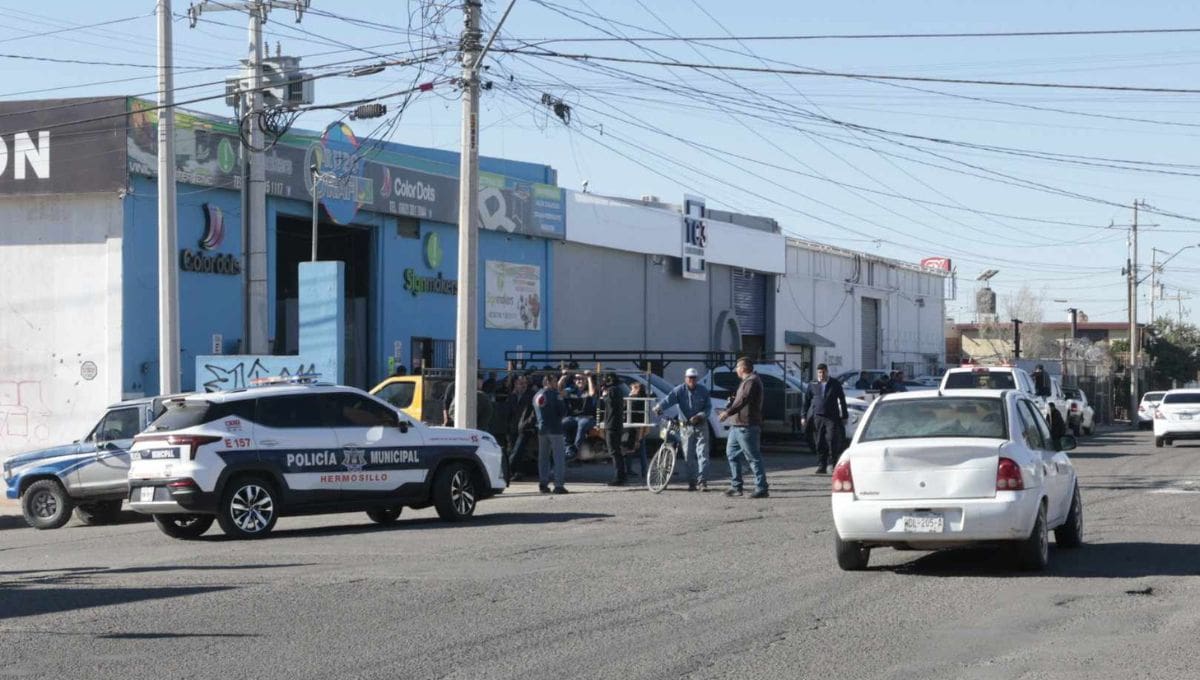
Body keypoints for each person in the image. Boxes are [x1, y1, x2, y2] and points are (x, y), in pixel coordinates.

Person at [654, 367, 713, 492]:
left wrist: (700, 416)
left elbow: (708, 408)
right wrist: (658, 407)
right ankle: (692, 482)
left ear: (696, 379)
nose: (692, 380)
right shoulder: (679, 390)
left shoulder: (703, 390)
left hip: (701, 425)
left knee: (703, 454)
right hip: (685, 426)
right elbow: (668, 400)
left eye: (694, 378)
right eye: (689, 377)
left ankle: (702, 482)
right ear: (685, 378)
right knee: (688, 455)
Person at [718, 358, 769, 498]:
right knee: (731, 454)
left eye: (737, 367)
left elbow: (743, 400)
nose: (735, 370)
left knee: (753, 457)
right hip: (737, 425)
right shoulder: (746, 382)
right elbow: (738, 400)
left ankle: (762, 487)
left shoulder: (752, 381)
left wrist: (727, 413)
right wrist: (731, 403)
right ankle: (736, 486)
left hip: (747, 426)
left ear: (743, 368)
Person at [803, 363, 849, 474]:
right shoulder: (813, 384)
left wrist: (845, 415)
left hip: (832, 417)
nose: (821, 374)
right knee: (819, 442)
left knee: (832, 440)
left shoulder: (834, 384)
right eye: (819, 372)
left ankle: (833, 464)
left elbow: (842, 400)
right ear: (817, 373)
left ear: (827, 372)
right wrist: (803, 416)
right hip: (818, 417)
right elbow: (807, 401)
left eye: (823, 372)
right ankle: (821, 465)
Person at [533, 374, 569, 494]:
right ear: (548, 382)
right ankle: (558, 485)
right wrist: (562, 398)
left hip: (542, 429)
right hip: (555, 429)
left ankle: (543, 483)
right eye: (554, 381)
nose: (556, 384)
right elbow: (563, 411)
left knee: (543, 458)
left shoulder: (536, 395)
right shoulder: (555, 395)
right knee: (558, 458)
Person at [505, 374, 536, 482]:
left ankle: (505, 471)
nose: (523, 386)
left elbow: (533, 413)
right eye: (520, 383)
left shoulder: (532, 395)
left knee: (517, 451)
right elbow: (508, 412)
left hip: (525, 428)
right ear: (515, 384)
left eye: (525, 383)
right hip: (513, 427)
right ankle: (517, 472)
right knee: (513, 450)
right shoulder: (512, 396)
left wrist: (527, 424)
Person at [561, 371, 597, 459]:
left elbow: (592, 393)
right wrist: (563, 377)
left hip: (588, 417)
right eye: (577, 379)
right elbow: (559, 391)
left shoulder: (588, 390)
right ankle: (569, 448)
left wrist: (589, 377)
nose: (579, 381)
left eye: (582, 379)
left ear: (585, 380)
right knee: (561, 423)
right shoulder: (571, 390)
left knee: (582, 424)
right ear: (574, 381)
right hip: (573, 417)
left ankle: (575, 450)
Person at [598, 373, 626, 486]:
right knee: (616, 451)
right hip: (615, 424)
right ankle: (621, 475)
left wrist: (605, 395)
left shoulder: (612, 390)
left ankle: (618, 477)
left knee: (614, 451)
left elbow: (610, 403)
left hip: (612, 424)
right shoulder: (617, 389)